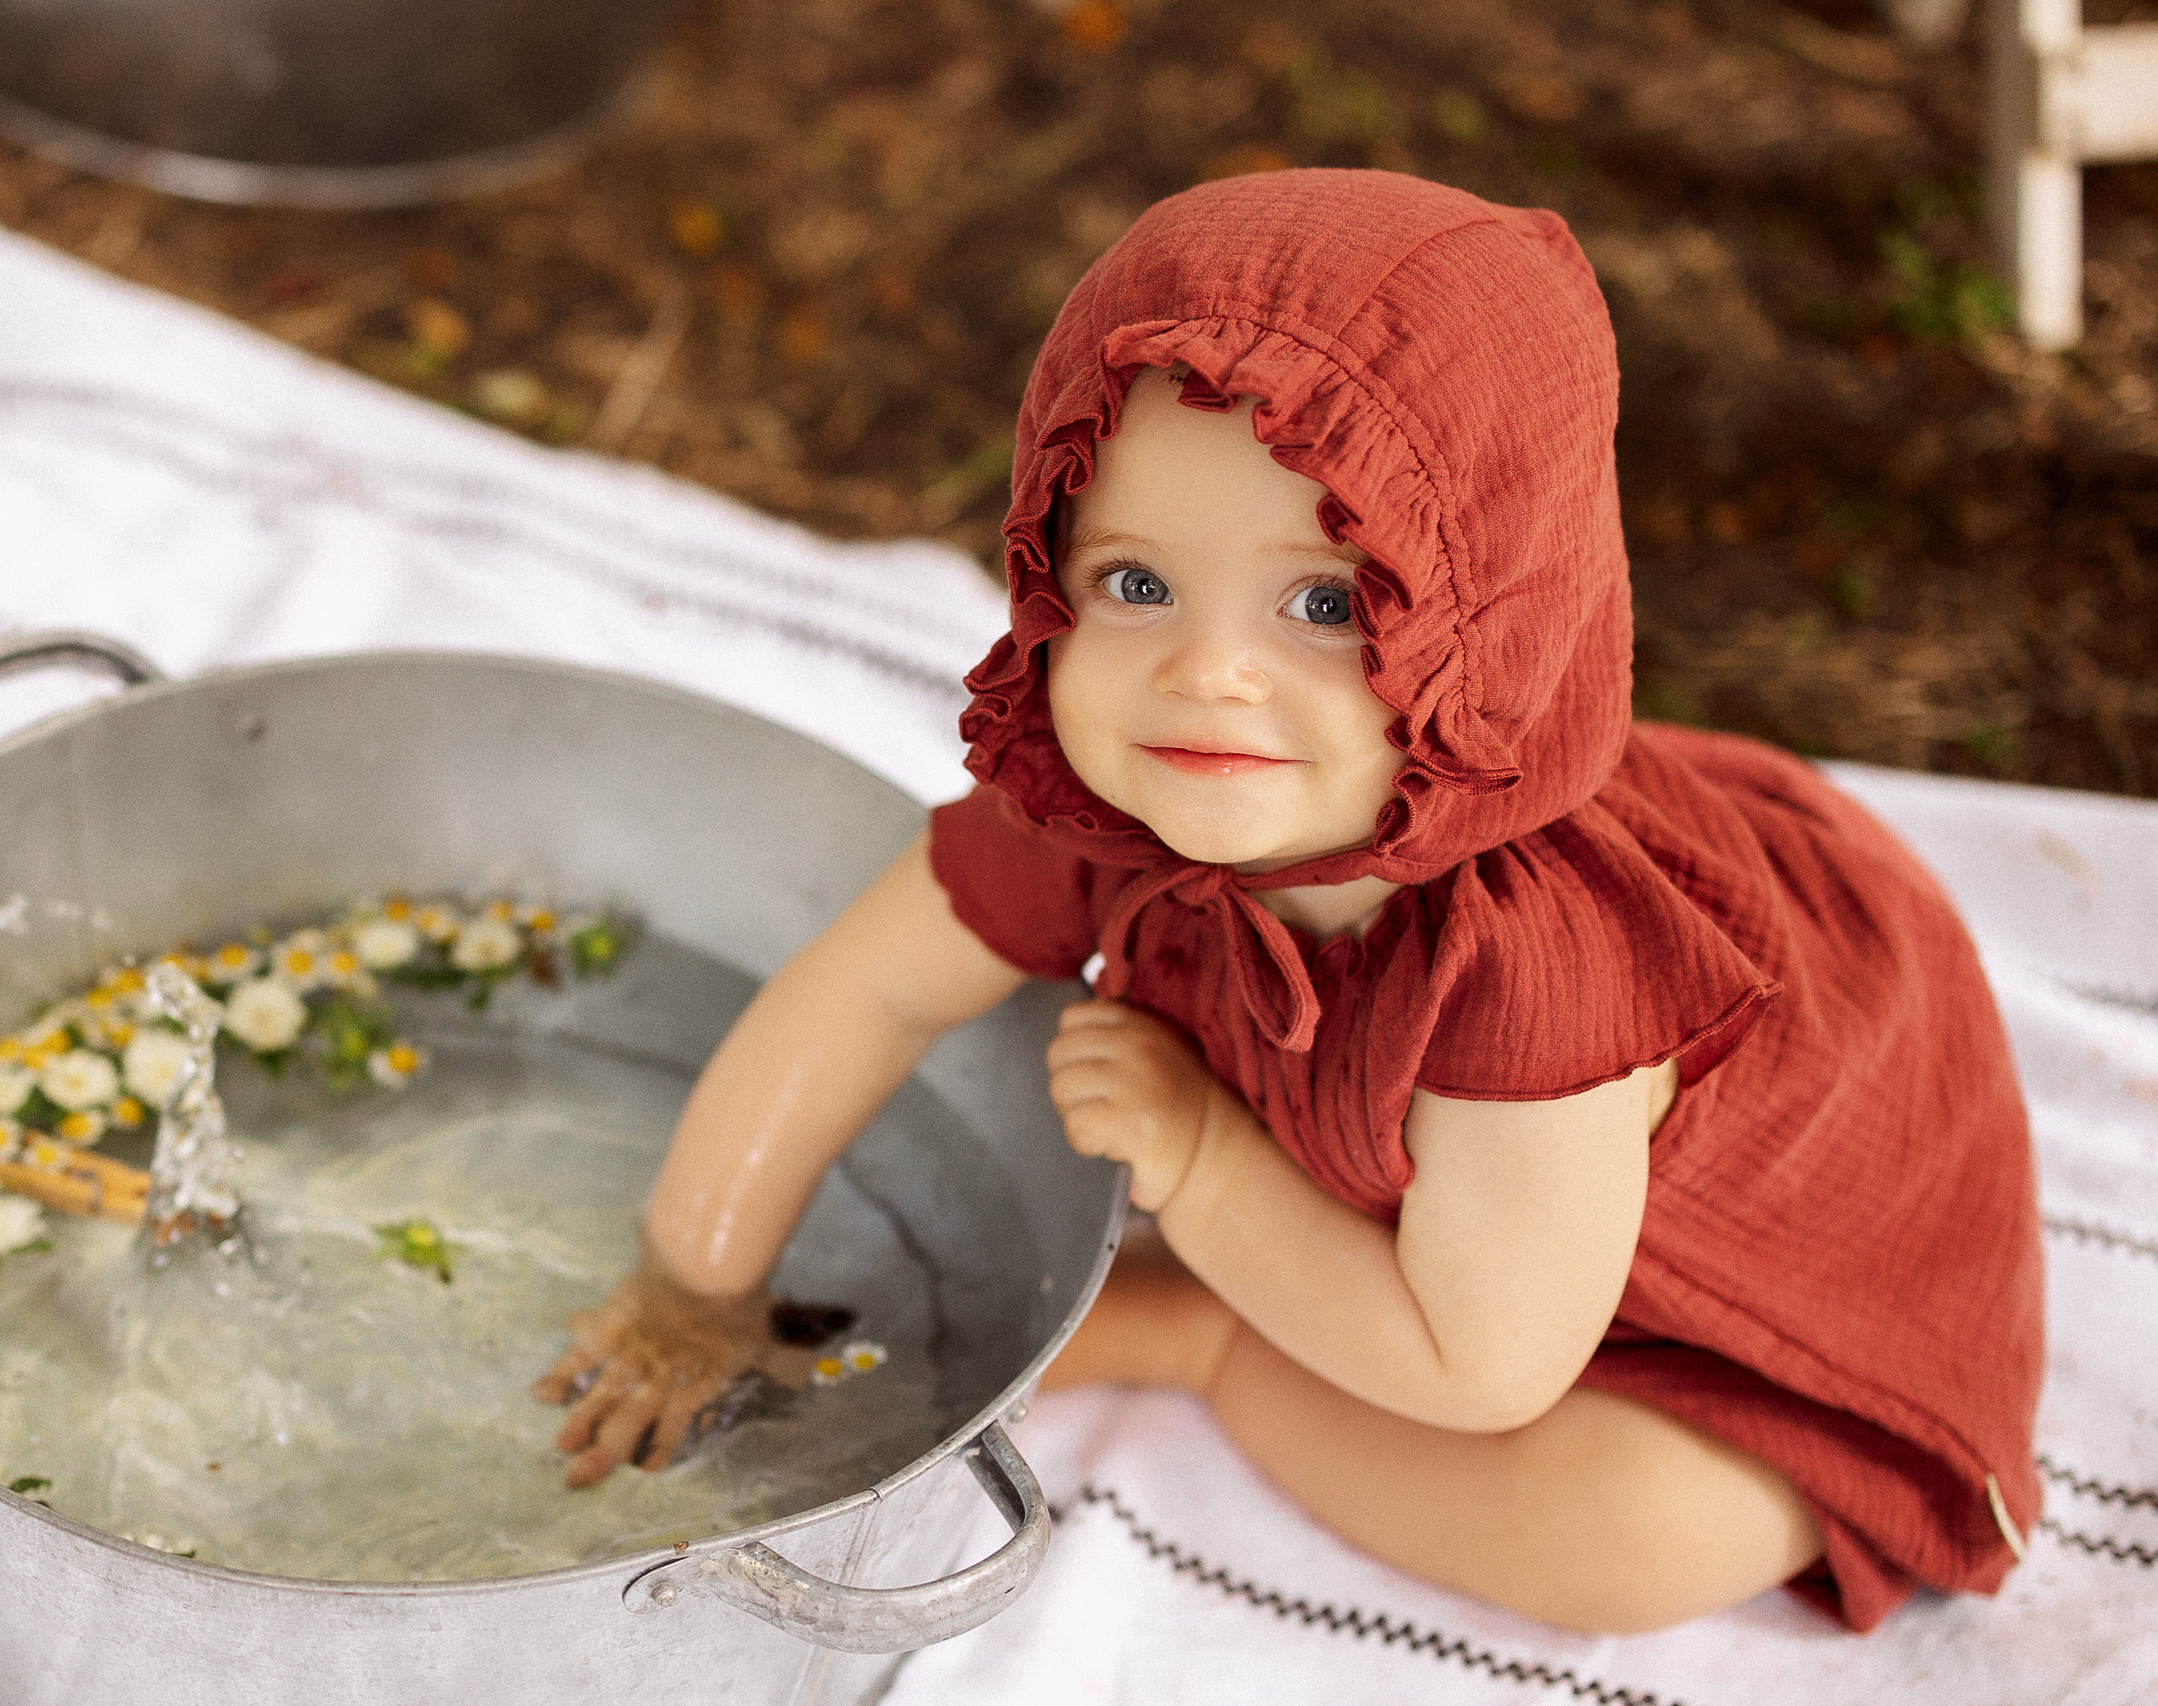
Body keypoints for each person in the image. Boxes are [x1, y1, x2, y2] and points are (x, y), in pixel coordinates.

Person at [533, 170, 2043, 1635]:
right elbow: (866, 988)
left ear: (1484, 633)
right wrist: (688, 1284)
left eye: (1326, 605)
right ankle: (1261, 1257)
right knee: (1322, 1200)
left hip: (1707, 1283)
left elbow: (1483, 1363)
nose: (1207, 674)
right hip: (1441, 1203)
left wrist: (1202, 1160)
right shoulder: (1111, 789)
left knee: (1635, 1536)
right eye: (1135, 584)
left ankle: (1199, 1340)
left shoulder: (1539, 973)